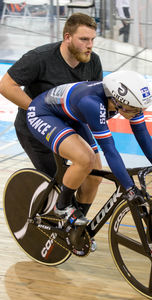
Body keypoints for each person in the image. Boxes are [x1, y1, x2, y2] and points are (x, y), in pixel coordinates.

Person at [26, 70, 152, 227]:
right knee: (85, 159)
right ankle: (62, 207)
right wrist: (130, 188)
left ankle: (74, 229)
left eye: (140, 109)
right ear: (116, 100)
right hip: (43, 114)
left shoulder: (127, 103)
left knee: (94, 177)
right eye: (134, 109)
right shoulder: (92, 103)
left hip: (72, 115)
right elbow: (109, 150)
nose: (138, 113)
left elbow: (142, 134)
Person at [0, 13, 103, 219]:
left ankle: (75, 229)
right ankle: (55, 215)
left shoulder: (93, 62)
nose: (89, 45)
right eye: (84, 39)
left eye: (92, 39)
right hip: (35, 128)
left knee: (94, 176)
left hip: (70, 126)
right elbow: (5, 85)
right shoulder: (40, 57)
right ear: (67, 37)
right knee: (60, 181)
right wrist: (39, 111)